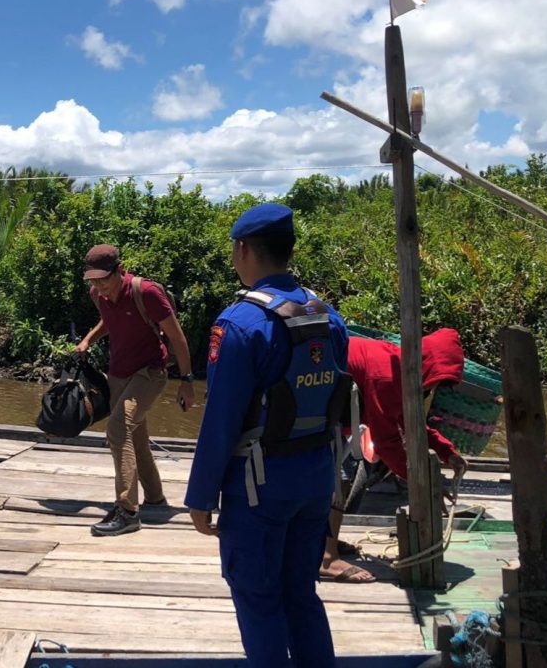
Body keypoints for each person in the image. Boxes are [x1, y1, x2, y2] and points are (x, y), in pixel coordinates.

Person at [185, 203, 349, 667]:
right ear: (289, 250)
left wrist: (201, 497)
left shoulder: (239, 323)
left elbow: (221, 419)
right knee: (301, 594)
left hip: (259, 487)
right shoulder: (328, 317)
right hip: (315, 479)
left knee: (258, 599)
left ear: (242, 249)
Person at [320, 328, 468, 583]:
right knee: (338, 479)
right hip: (319, 409)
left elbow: (410, 420)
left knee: (339, 476)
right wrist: (421, 484)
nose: (432, 389)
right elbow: (386, 441)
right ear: (425, 365)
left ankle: (323, 538)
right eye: (434, 382)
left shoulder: (400, 367)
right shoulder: (386, 375)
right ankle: (326, 557)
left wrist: (448, 452)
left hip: (334, 413)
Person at [76, 244, 195, 537]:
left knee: (118, 429)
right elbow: (110, 320)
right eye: (93, 280)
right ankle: (154, 497)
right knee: (136, 438)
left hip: (149, 373)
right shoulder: (98, 294)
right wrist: (88, 340)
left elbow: (177, 337)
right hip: (118, 375)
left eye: (104, 279)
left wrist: (187, 380)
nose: (99, 286)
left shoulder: (147, 292)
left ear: (119, 270)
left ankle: (127, 511)